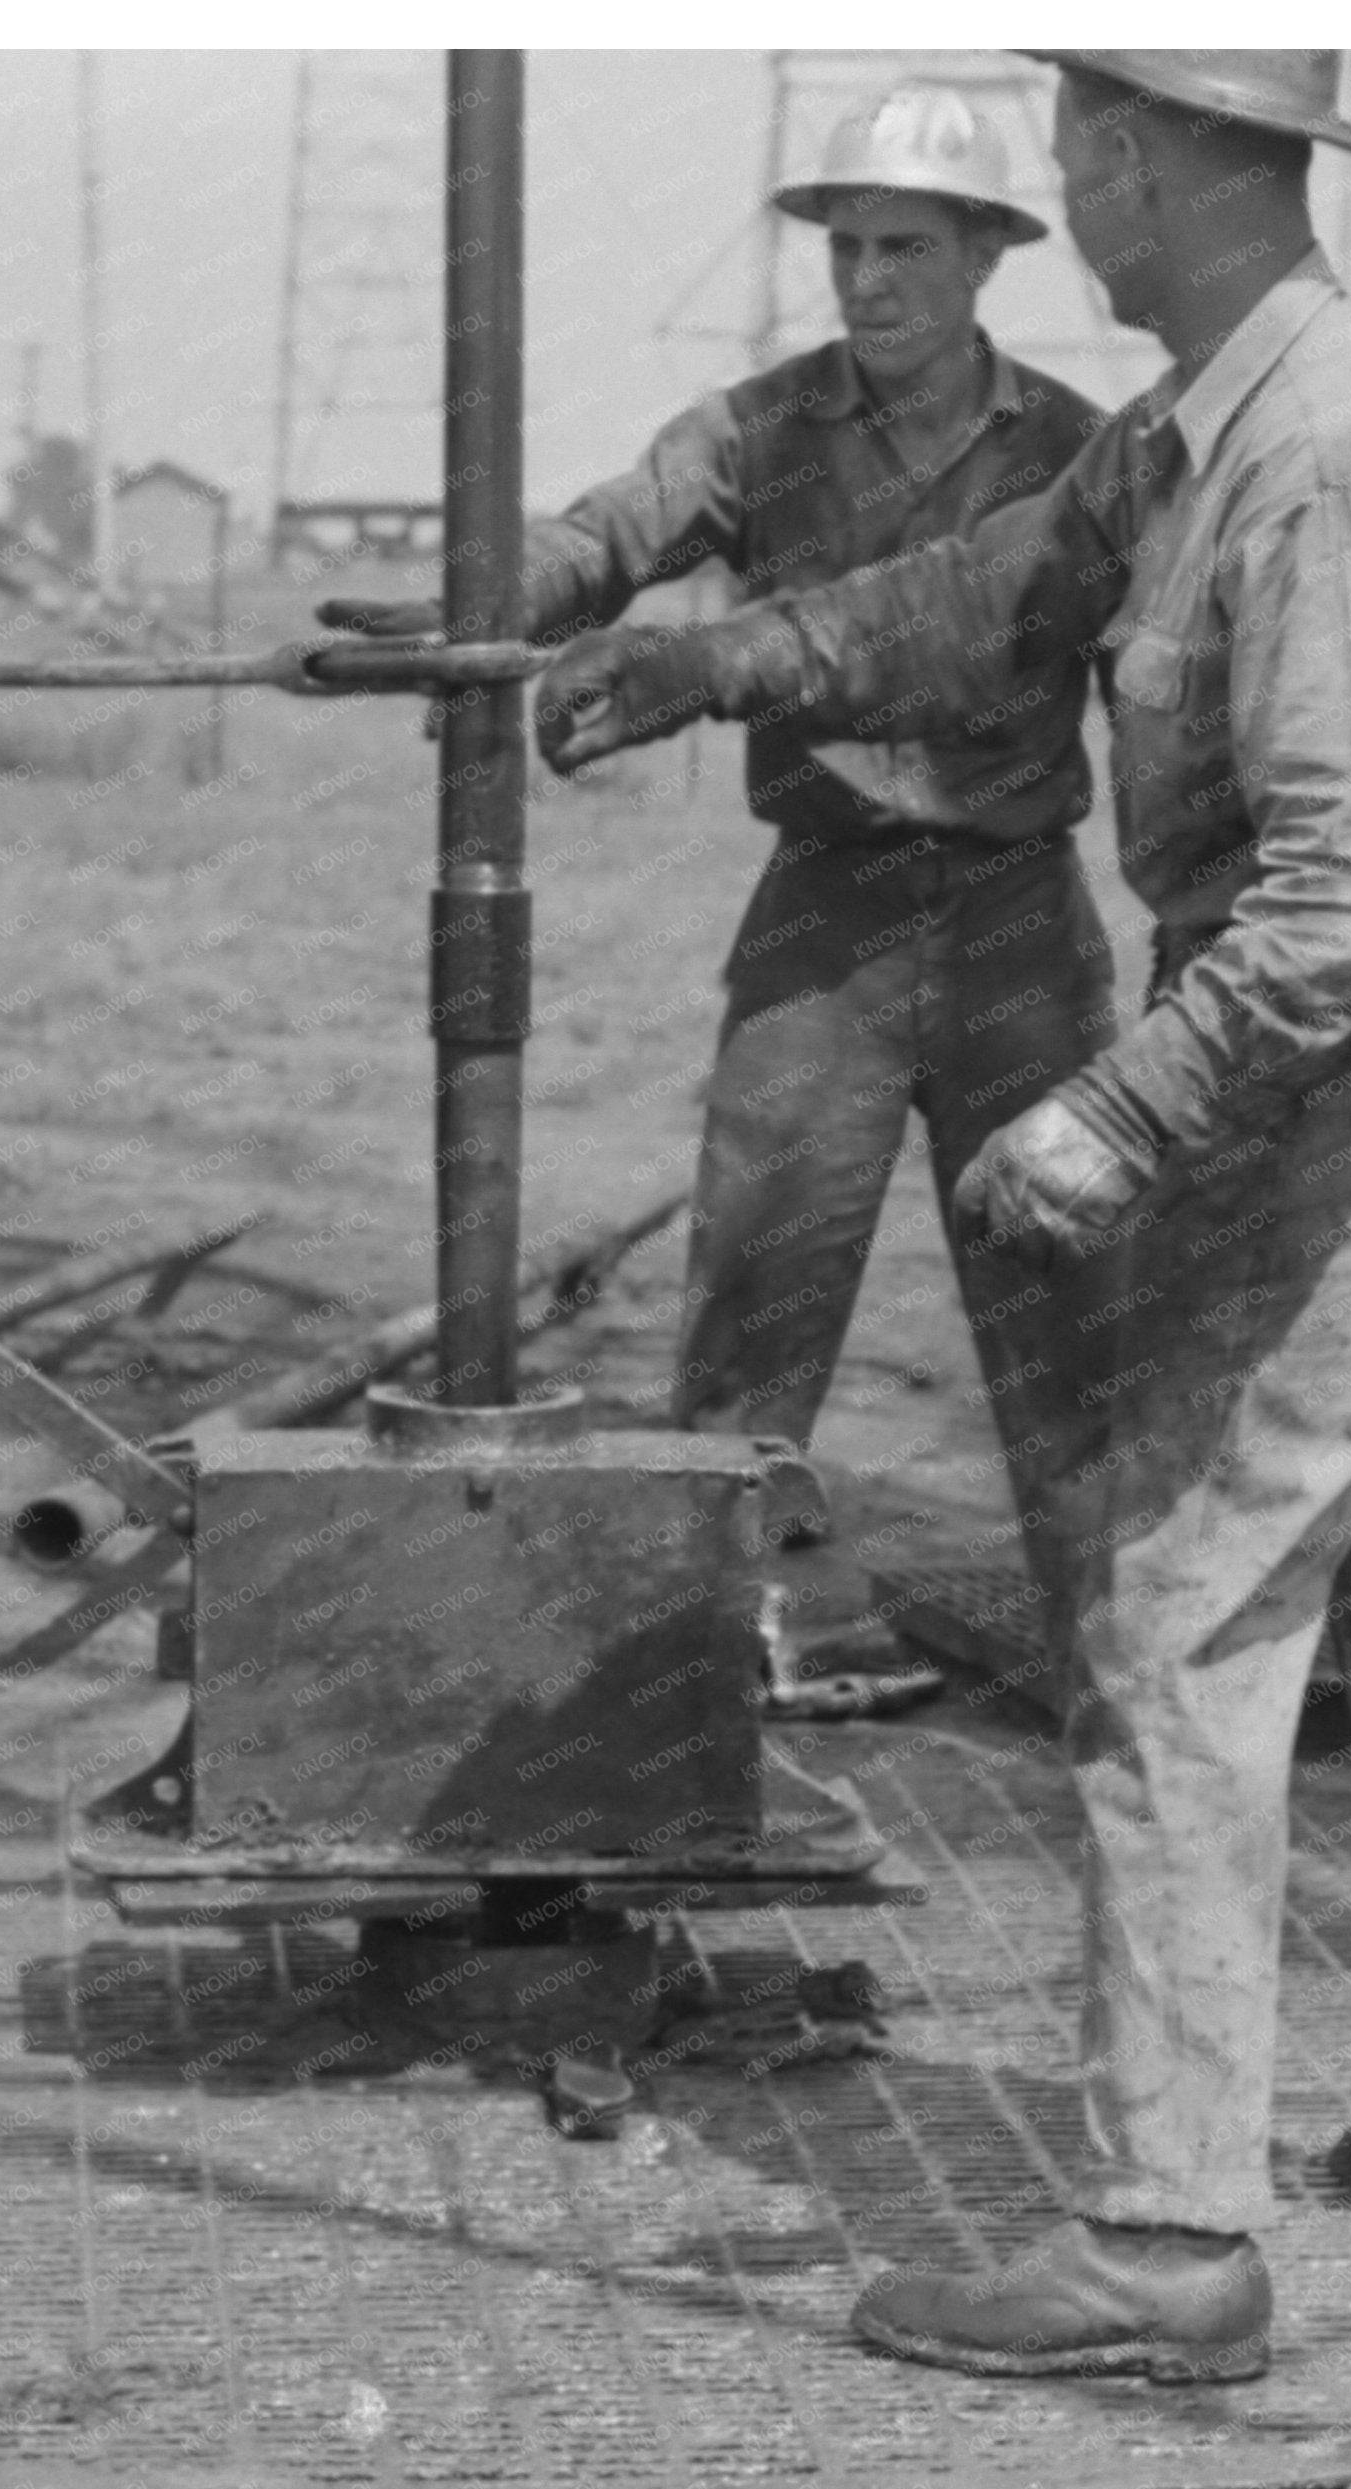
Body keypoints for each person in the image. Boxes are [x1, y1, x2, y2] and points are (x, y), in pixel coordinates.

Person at [537, 52, 1351, 2384]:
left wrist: (1113, 1114)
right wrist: (690, 658)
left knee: (1170, 1611)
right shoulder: (1187, 429)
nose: (1065, 192)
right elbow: (971, 599)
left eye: (1078, 156)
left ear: (1141, 168)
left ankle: (1162, 2238)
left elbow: (1349, 877)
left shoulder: (1327, 453)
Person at [331, 80, 1116, 1596]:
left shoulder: (1076, 455)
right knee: (758, 1285)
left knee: (1071, 1300)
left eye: (904, 247)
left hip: (1021, 920)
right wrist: (484, 601)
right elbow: (610, 532)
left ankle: (1121, 1658)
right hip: (829, 916)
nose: (870, 280)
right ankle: (707, 1663)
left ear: (983, 258)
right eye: (846, 247)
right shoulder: (755, 430)